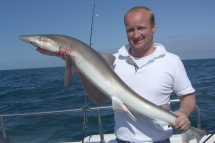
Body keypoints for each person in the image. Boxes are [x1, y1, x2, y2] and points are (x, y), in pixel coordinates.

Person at [112, 6, 196, 143]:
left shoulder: (171, 61)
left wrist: (183, 113)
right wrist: (78, 68)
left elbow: (188, 96)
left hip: (159, 140)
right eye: (130, 30)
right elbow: (99, 99)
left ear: (153, 27)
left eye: (141, 28)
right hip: (122, 139)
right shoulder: (114, 61)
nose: (136, 35)